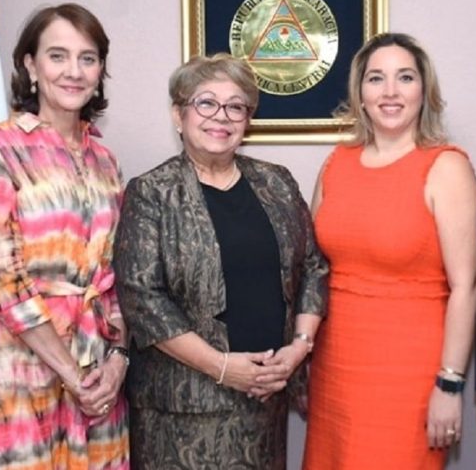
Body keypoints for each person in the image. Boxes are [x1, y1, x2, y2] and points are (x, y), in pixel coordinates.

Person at [113, 53, 328, 469]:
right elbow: (143, 299)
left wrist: (298, 349)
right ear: (179, 115)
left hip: (264, 400)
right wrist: (222, 368)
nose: (221, 116)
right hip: (180, 414)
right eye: (206, 103)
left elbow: (314, 266)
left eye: (236, 106)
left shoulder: (276, 181)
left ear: (247, 120)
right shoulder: (151, 193)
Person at [0, 3, 129, 468]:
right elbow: (1, 282)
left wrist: (117, 364)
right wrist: (74, 376)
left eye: (87, 58)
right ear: (30, 65)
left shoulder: (106, 162)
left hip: (99, 385)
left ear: (100, 71)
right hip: (22, 374)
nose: (73, 71)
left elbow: (115, 278)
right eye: (57, 56)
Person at [302, 33, 476, 469]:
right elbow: (313, 267)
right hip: (334, 368)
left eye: (405, 77)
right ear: (359, 94)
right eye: (376, 79)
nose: (390, 92)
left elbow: (468, 285)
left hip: (409, 374)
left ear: (425, 91)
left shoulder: (447, 166)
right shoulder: (336, 163)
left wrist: (450, 384)